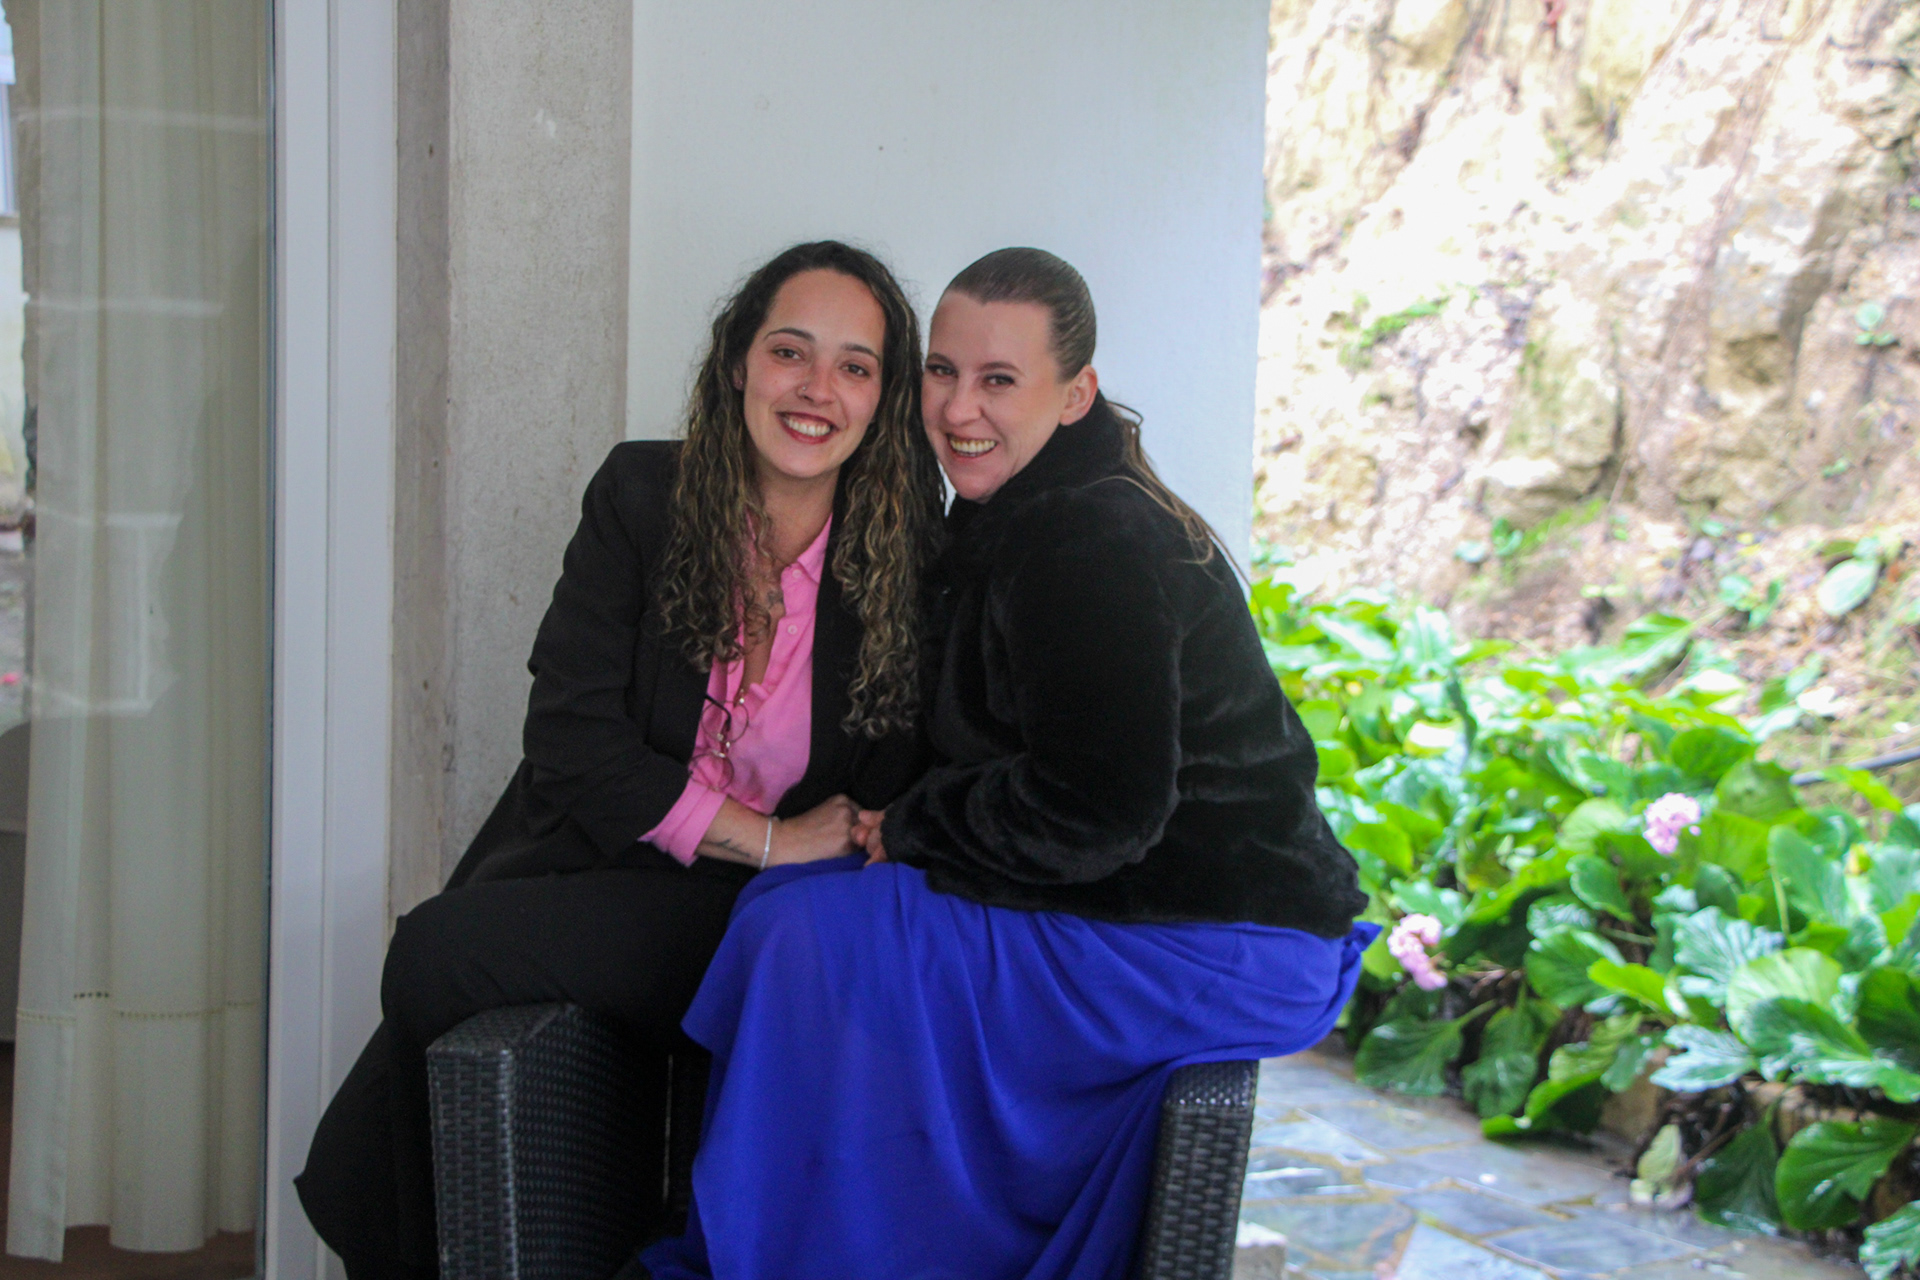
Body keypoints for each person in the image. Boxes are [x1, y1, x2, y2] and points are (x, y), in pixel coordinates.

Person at [636, 248, 1377, 1280]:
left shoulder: (1088, 536)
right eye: (942, 371)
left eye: (998, 380)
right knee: (790, 912)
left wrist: (915, 827)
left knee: (806, 938)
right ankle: (806, 1233)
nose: (958, 409)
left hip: (1217, 934)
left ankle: (798, 1249)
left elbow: (1101, 806)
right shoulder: (1011, 511)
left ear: (1076, 394)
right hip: (1138, 901)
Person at [295, 240, 945, 1280]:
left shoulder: (908, 554)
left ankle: (406, 1250)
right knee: (428, 974)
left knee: (430, 955)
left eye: (855, 366)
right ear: (737, 360)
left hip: (758, 917)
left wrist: (787, 858)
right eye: (790, 351)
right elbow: (569, 735)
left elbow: (887, 783)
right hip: (608, 857)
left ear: (885, 397)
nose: (817, 389)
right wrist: (766, 836)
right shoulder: (644, 495)